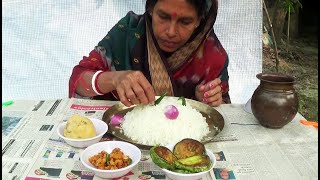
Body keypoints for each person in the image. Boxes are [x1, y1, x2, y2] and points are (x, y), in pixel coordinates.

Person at [69, 0, 231, 107]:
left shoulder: (211, 55)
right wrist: (114, 78)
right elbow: (79, 79)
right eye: (163, 17)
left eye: (185, 21)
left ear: (199, 21)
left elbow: (222, 106)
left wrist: (208, 99)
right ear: (151, 9)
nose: (171, 32)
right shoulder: (127, 33)